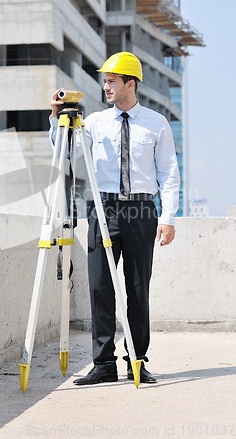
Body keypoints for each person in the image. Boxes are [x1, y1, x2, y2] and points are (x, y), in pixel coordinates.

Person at [49, 51, 180, 385]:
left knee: (138, 289)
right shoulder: (93, 122)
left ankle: (137, 360)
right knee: (100, 286)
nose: (105, 86)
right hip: (103, 209)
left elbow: (168, 173)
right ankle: (104, 364)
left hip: (141, 211)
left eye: (110, 81)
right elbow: (67, 154)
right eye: (104, 80)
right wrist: (57, 120)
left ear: (129, 83)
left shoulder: (156, 123)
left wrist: (167, 217)